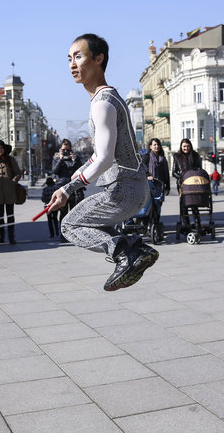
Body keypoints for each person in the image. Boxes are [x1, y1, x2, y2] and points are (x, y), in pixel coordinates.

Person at [46, 33, 158, 292]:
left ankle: (127, 254)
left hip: (123, 189)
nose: (72, 64)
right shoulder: (108, 99)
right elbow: (98, 155)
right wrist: (75, 175)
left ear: (99, 59)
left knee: (70, 225)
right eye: (69, 58)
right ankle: (135, 247)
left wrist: (67, 190)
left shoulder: (103, 104)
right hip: (132, 188)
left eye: (79, 56)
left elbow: (105, 159)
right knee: (96, 226)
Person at [0, 139, 21, 244]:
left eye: (1, 148)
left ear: (4, 149)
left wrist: (12, 183)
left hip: (9, 192)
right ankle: (0, 236)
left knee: (10, 215)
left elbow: (17, 173)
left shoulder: (10, 160)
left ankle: (11, 237)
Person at [52, 138, 83, 233]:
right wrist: (60, 159)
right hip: (62, 189)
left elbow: (81, 170)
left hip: (74, 189)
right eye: (63, 150)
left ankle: (74, 233)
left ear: (71, 150)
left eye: (67, 150)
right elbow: (54, 171)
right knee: (63, 212)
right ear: (60, 149)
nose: (65, 152)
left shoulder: (75, 158)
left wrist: (75, 160)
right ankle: (63, 233)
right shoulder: (56, 158)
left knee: (74, 213)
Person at [172, 138, 203, 226]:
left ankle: (197, 222)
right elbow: (174, 172)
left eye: (188, 146)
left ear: (190, 146)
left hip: (193, 183)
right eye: (184, 146)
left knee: (194, 203)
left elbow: (199, 169)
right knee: (183, 204)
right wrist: (181, 177)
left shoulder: (195, 155)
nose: (186, 148)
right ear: (181, 147)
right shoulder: (177, 156)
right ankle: (186, 223)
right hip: (182, 184)